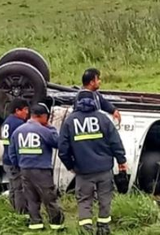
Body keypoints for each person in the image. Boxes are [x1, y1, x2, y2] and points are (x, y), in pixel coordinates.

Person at [58, 91, 127, 235]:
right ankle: (103, 229)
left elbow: (63, 150)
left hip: (83, 171)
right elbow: (115, 142)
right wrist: (121, 161)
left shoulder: (70, 121)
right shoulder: (103, 119)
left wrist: (71, 166)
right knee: (105, 199)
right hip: (104, 169)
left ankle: (86, 230)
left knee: (84, 201)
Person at [9, 104, 65, 231]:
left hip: (24, 169)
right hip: (41, 170)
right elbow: (58, 143)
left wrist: (19, 165)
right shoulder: (44, 130)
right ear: (43, 116)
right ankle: (57, 226)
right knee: (49, 198)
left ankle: (36, 225)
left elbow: (12, 153)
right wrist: (50, 127)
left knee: (31, 199)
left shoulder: (17, 131)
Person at [1, 98, 29, 214]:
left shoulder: (6, 122)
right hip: (14, 161)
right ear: (17, 110)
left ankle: (14, 210)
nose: (27, 112)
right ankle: (22, 213)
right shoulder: (19, 124)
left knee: (13, 188)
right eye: (25, 110)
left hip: (6, 160)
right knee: (20, 189)